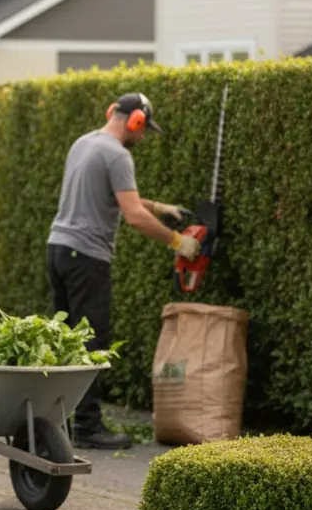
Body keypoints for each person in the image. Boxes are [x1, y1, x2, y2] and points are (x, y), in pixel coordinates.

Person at [46, 92, 198, 450]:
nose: (142, 138)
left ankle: (58, 422)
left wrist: (159, 206)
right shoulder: (118, 154)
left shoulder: (83, 143)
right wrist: (179, 242)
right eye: (144, 130)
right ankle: (88, 427)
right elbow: (133, 215)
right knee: (91, 341)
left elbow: (119, 196)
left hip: (58, 250)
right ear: (136, 121)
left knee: (66, 339)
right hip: (87, 256)